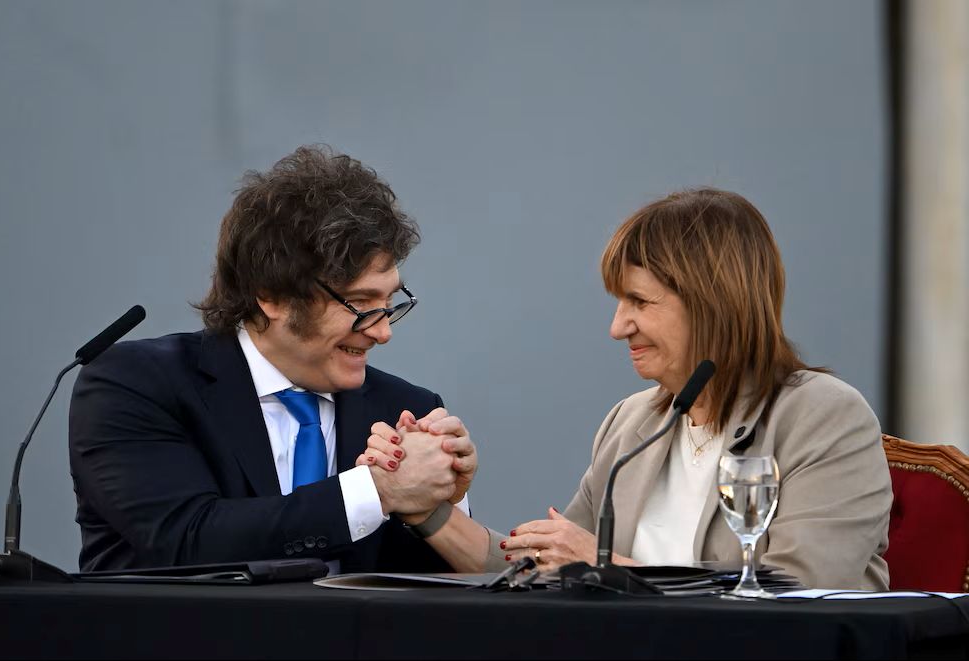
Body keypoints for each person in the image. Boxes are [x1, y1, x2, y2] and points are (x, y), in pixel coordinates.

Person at [362, 188, 893, 590]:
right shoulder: (634, 422)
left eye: (640, 302)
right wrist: (423, 507)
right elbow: (543, 573)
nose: (618, 327)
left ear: (713, 301)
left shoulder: (824, 417)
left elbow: (800, 592)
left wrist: (605, 566)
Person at [68, 145, 477, 574]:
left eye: (390, 302)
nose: (383, 331)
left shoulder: (404, 410)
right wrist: (378, 491)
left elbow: (430, 592)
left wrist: (439, 494)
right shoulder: (134, 384)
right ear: (272, 297)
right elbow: (183, 541)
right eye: (360, 303)